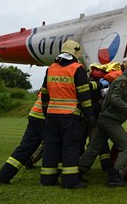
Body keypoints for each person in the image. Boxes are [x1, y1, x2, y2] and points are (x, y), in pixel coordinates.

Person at [79, 59, 127, 187]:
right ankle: (115, 176)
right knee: (126, 147)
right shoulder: (123, 82)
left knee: (94, 148)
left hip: (104, 119)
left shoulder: (126, 81)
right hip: (110, 121)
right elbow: (115, 99)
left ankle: (77, 172)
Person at [40, 39, 94, 189]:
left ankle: (48, 179)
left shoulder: (51, 68)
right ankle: (70, 181)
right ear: (76, 53)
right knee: (70, 148)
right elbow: (84, 94)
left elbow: (44, 93)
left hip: (52, 115)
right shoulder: (77, 68)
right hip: (70, 116)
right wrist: (89, 114)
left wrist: (46, 112)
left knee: (51, 146)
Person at [0, 91, 45, 184]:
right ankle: (51, 178)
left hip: (35, 115)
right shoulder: (73, 78)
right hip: (46, 118)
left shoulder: (51, 78)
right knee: (54, 147)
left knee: (25, 148)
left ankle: (3, 176)